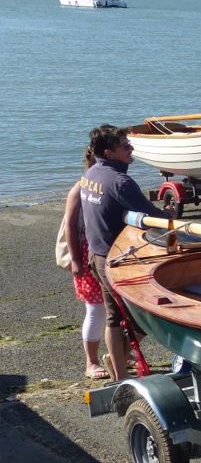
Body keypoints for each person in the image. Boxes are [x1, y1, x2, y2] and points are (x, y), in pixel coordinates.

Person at [80, 125, 173, 381]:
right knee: (140, 314)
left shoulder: (91, 174)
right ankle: (120, 375)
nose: (131, 149)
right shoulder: (119, 181)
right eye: (125, 146)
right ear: (109, 152)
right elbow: (154, 216)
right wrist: (170, 215)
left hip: (97, 253)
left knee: (116, 317)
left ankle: (118, 362)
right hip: (116, 260)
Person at [63, 147, 108, 380]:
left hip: (108, 254)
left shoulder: (104, 183)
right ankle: (91, 362)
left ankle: (118, 353)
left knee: (117, 309)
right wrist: (76, 260)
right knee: (96, 310)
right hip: (88, 254)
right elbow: (69, 226)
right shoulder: (81, 187)